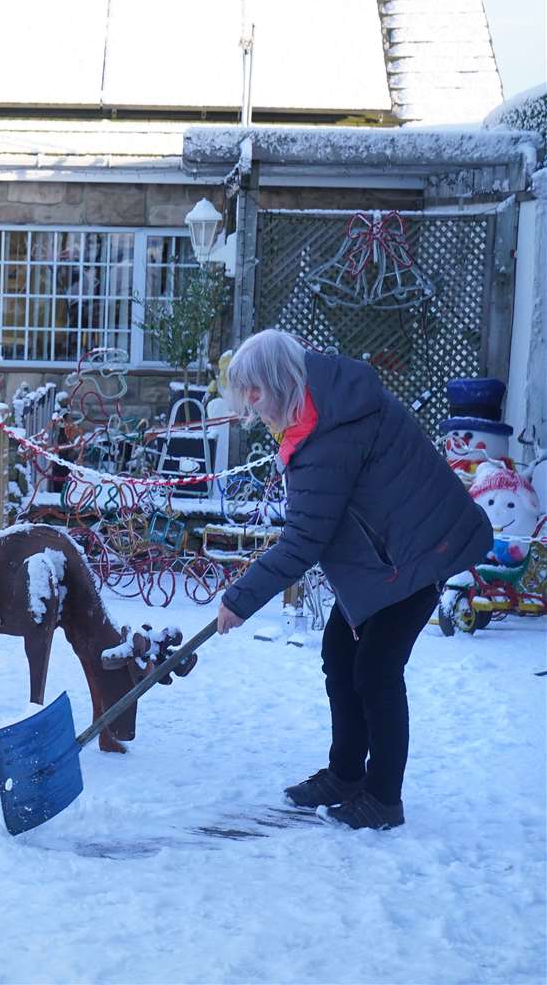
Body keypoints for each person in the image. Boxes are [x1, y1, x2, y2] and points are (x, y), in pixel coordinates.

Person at [216, 330, 490, 830]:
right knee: (340, 654)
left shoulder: (331, 434)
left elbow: (303, 540)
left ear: (281, 381)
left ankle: (383, 798)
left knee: (377, 671)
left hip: (420, 553)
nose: (252, 405)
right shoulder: (319, 409)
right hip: (385, 556)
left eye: (256, 391)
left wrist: (239, 599)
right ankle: (345, 774)